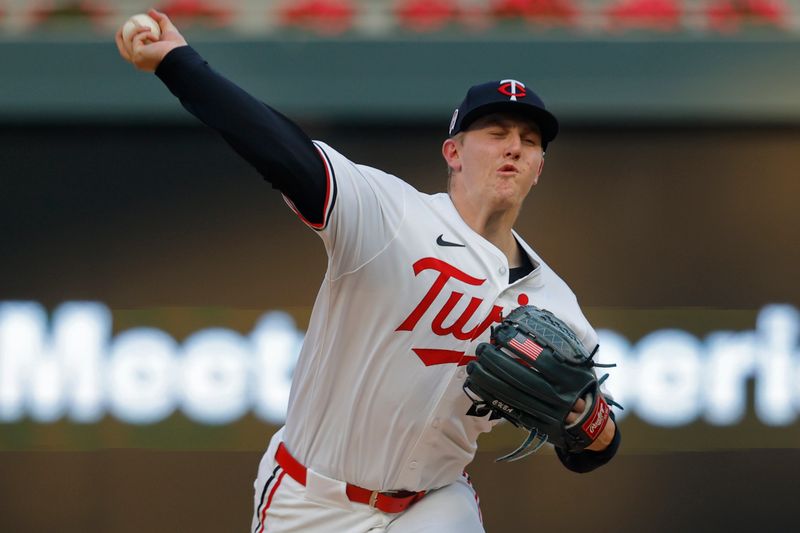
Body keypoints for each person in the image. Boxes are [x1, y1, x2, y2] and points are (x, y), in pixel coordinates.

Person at [116, 10, 620, 532]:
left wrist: (586, 421)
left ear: (538, 169)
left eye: (530, 140)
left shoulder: (555, 304)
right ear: (453, 152)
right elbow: (279, 149)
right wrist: (179, 64)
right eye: (495, 132)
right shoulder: (389, 214)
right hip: (311, 499)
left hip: (432, 502)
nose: (514, 145)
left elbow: (591, 451)